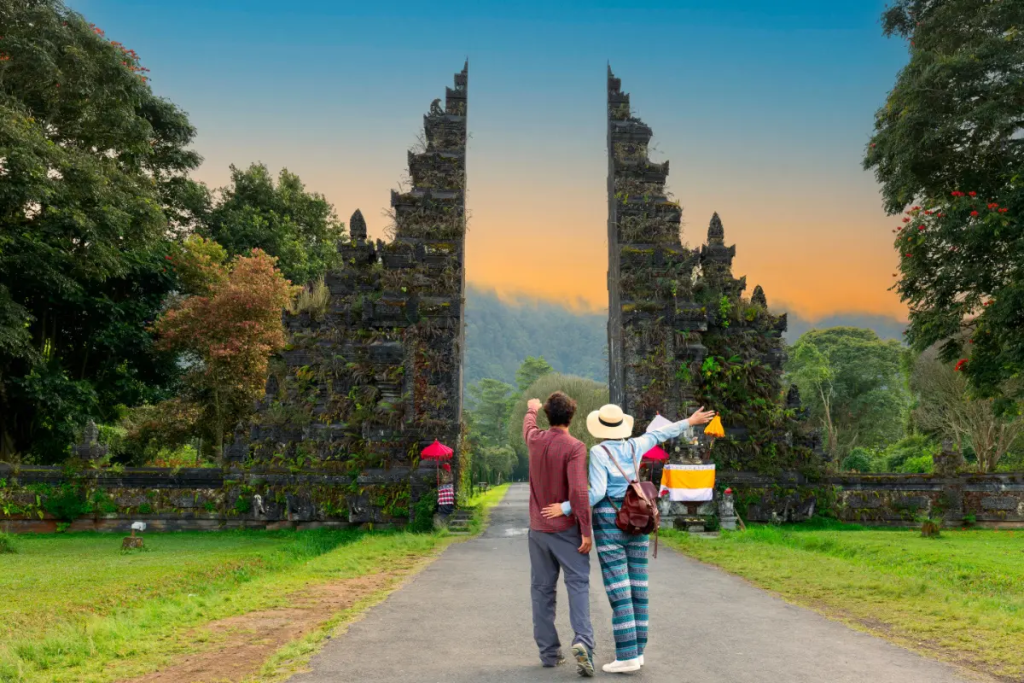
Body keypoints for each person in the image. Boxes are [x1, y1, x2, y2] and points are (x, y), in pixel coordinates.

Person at [543, 404, 716, 674]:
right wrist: (690, 421)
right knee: (638, 588)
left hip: (610, 524)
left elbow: (597, 493)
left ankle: (626, 656)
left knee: (619, 591)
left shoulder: (599, 451)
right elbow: (662, 433)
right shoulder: (636, 445)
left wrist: (565, 507)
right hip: (637, 519)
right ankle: (638, 651)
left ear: (599, 428)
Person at [524, 391, 596, 677]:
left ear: (547, 416)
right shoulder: (575, 447)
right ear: (572, 416)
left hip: (537, 529)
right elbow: (579, 490)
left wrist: (531, 409)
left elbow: (528, 427)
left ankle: (549, 654)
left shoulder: (535, 440)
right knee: (577, 584)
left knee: (542, 591)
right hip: (565, 530)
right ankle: (583, 643)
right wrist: (586, 531)